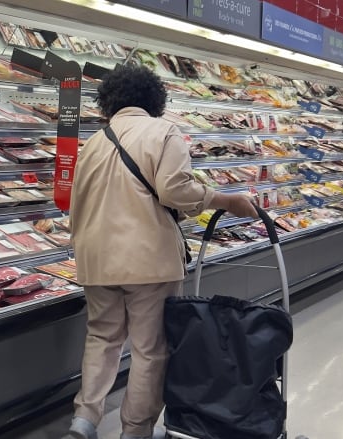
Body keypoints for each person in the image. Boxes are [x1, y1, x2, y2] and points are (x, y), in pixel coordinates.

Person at [64, 65, 259, 439]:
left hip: (96, 259)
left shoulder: (93, 143)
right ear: (155, 99)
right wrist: (225, 200)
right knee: (149, 349)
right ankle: (135, 431)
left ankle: (83, 422)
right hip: (148, 260)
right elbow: (175, 191)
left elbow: (76, 205)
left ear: (109, 101)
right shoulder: (162, 131)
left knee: (102, 340)